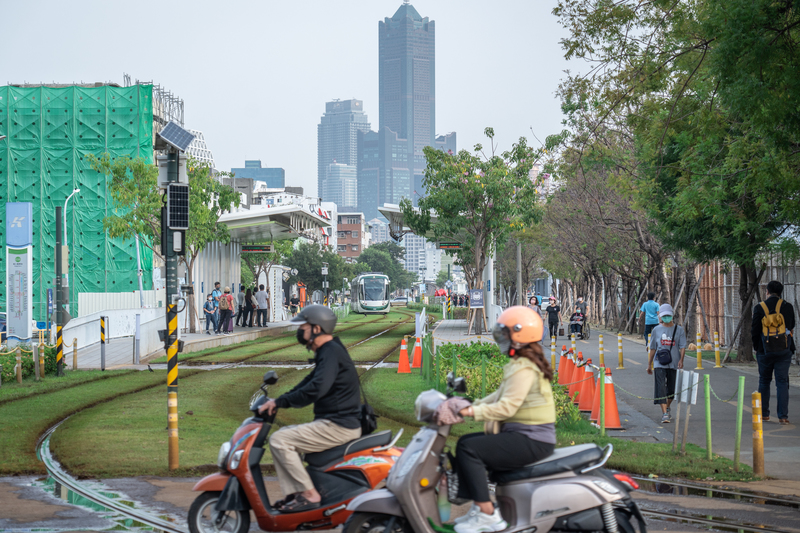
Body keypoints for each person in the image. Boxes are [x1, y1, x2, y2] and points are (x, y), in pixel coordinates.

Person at [454, 306, 556, 533]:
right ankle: (481, 508)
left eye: (504, 333)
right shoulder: (520, 364)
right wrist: (471, 404)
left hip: (532, 438)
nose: (500, 338)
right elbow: (499, 396)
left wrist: (470, 413)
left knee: (469, 449)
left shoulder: (524, 368)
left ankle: (488, 514)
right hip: (523, 434)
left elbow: (506, 407)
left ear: (519, 335)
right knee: (465, 444)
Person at [258, 305, 362, 513]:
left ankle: (308, 495)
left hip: (339, 425)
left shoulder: (330, 352)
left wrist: (280, 403)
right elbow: (309, 381)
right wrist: (280, 400)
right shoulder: (329, 351)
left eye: (303, 327)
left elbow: (316, 388)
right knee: (284, 437)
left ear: (316, 329)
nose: (300, 332)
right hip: (336, 421)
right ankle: (298, 494)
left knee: (280, 440)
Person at [751, 280, 795, 425]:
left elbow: (755, 330)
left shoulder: (759, 307)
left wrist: (756, 347)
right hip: (783, 349)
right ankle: (783, 416)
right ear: (781, 292)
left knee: (764, 380)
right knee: (782, 381)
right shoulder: (787, 306)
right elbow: (791, 325)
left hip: (765, 350)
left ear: (767, 291)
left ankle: (764, 414)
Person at [647, 303, 686, 424]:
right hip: (659, 363)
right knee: (660, 388)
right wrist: (649, 364)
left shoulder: (679, 330)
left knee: (671, 389)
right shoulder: (656, 330)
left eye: (668, 315)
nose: (666, 318)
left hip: (673, 363)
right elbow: (652, 347)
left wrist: (681, 360)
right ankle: (664, 413)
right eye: (664, 316)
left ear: (672, 315)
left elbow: (683, 346)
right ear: (660, 316)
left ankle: (668, 407)